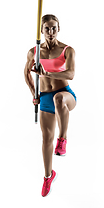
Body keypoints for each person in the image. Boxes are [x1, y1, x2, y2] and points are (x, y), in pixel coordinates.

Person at [24, 14, 77, 197]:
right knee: (46, 139)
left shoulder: (67, 50)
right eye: (47, 28)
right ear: (42, 30)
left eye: (54, 28)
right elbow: (26, 74)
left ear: (59, 29)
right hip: (45, 97)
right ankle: (48, 176)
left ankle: (63, 140)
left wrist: (47, 74)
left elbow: (70, 74)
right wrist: (34, 94)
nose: (51, 31)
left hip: (65, 95)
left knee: (59, 100)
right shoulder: (34, 52)